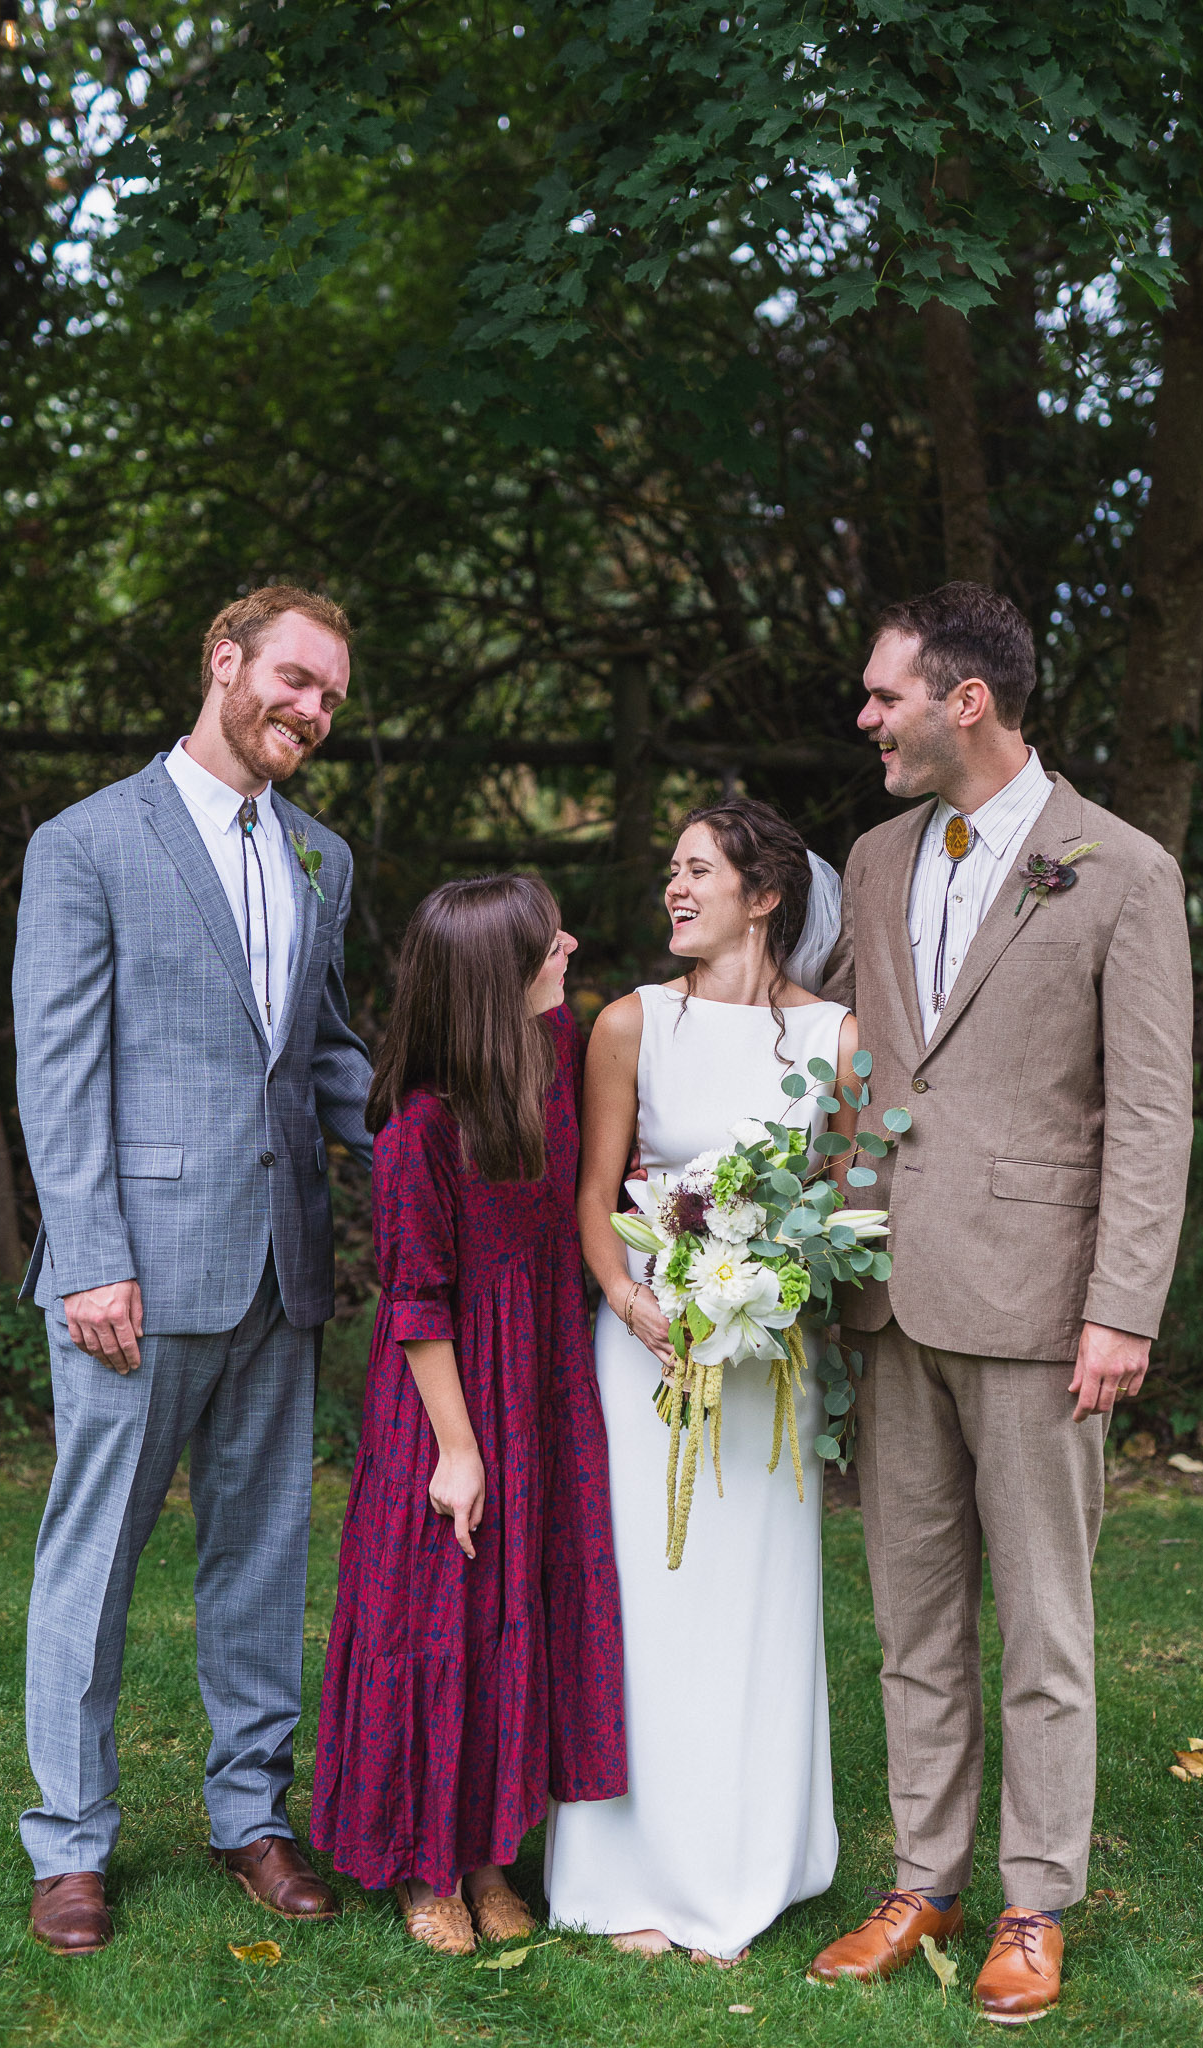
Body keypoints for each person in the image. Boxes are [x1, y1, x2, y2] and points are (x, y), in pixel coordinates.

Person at [811, 582, 1193, 2023]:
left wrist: (1123, 1305)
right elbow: (849, 1052)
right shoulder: (871, 857)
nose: (865, 717)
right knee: (912, 1621)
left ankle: (1034, 1900)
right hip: (887, 1296)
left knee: (1043, 1628)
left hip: (1042, 1307)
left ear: (964, 700)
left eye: (883, 694)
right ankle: (925, 1878)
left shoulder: (1123, 869)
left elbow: (1150, 1112)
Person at [12, 585, 373, 1956]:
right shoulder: (87, 842)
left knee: (263, 1554)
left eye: (331, 696)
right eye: (296, 678)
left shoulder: (322, 855)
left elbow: (325, 1053)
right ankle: (70, 1843)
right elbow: (59, 1068)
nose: (312, 710)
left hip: (283, 1265)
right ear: (225, 663)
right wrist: (90, 1257)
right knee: (93, 1556)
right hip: (135, 1278)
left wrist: (441, 1155)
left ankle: (250, 1815)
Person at [545, 798, 857, 1964]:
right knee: (644, 1599)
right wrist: (631, 1303)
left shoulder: (837, 1037)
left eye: (699, 871)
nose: (674, 889)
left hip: (769, 1362)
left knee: (750, 1607)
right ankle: (621, 1870)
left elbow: (843, 1205)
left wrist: (777, 1286)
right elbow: (593, 1194)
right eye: (671, 870)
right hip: (646, 1349)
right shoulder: (631, 1021)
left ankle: (743, 1867)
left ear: (763, 896)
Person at [312, 876, 626, 1956]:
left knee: (513, 1612)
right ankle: (423, 1863)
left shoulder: (556, 1054)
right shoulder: (419, 1125)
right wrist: (456, 1450)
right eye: (547, 941)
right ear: (499, 974)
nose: (570, 943)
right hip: (448, 1394)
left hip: (541, 1373)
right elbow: (415, 1303)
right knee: (436, 1619)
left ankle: (490, 1848)